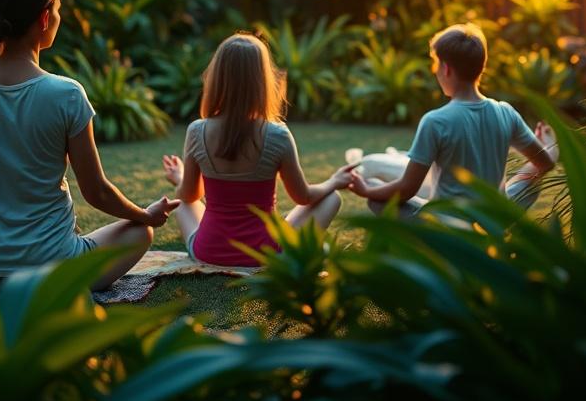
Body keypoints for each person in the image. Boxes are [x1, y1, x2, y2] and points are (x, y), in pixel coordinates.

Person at [0, 0, 178, 292]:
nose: (59, 17)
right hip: (55, 272)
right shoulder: (66, 94)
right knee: (139, 232)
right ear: (44, 18)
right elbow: (96, 191)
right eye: (58, 9)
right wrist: (145, 215)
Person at [160, 33, 355, 267]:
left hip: (208, 252)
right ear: (263, 81)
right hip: (267, 253)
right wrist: (334, 180)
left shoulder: (196, 131)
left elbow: (189, 195)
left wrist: (180, 177)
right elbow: (303, 196)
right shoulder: (277, 135)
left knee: (182, 203)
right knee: (331, 198)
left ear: (216, 78)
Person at [347, 23, 556, 216]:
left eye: (435, 64)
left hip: (450, 228)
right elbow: (544, 164)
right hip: (494, 220)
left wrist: (366, 190)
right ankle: (549, 147)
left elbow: (407, 189)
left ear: (446, 69)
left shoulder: (435, 121)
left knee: (376, 195)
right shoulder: (506, 112)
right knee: (532, 175)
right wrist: (545, 150)